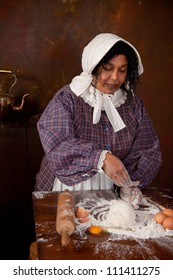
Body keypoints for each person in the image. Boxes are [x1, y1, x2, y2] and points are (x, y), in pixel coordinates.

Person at [35, 33, 162, 208]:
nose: (115, 77)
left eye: (122, 70)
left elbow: (148, 151)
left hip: (113, 193)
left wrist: (130, 183)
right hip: (66, 189)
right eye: (107, 68)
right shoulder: (68, 99)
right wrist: (99, 159)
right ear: (93, 66)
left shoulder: (133, 105)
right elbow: (58, 145)